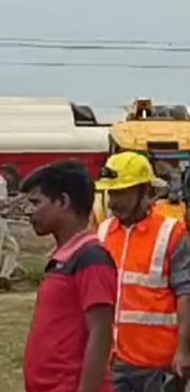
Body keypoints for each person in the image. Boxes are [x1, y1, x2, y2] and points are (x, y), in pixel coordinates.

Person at [95, 151, 190, 392]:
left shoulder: (171, 232)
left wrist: (183, 351)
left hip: (156, 364)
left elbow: (185, 294)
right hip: (112, 360)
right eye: (111, 192)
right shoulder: (103, 232)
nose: (112, 202)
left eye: (121, 193)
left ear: (145, 192)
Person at [21, 160, 116, 392]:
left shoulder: (90, 257)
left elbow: (101, 336)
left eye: (36, 202)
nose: (28, 211)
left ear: (63, 201)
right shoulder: (65, 258)